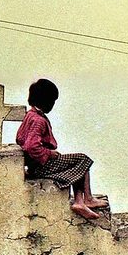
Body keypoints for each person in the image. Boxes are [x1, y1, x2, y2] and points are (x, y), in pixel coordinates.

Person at [15, 79, 107, 220]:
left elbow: (20, 139)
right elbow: (31, 146)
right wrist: (49, 154)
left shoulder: (30, 115)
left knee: (76, 161)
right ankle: (83, 200)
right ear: (46, 100)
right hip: (40, 166)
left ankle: (82, 200)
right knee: (82, 159)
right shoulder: (38, 120)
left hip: (35, 165)